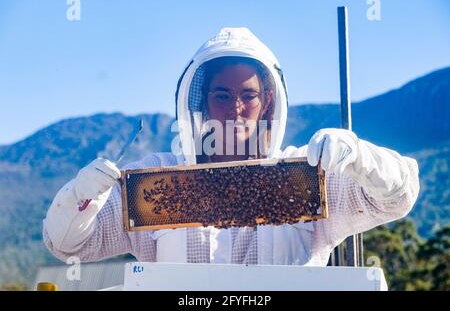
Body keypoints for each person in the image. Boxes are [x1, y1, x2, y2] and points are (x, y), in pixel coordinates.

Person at [43, 27, 419, 265]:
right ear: (202, 102)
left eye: (248, 95)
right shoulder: (158, 179)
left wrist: (359, 157)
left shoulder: (308, 172)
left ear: (267, 101)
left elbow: (398, 196)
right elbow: (68, 246)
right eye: (222, 95)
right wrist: (80, 195)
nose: (235, 109)